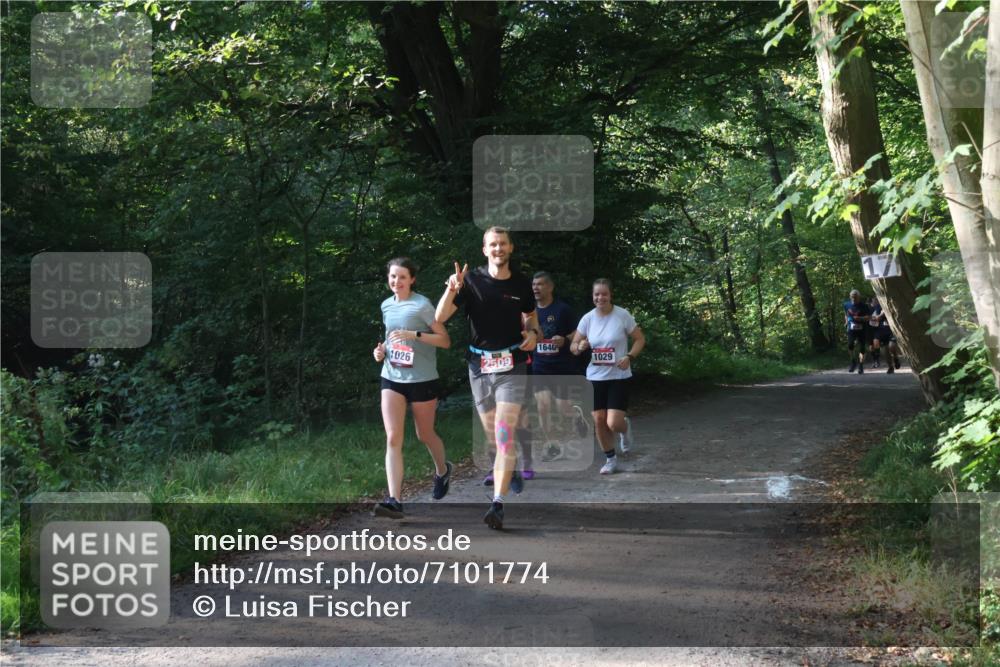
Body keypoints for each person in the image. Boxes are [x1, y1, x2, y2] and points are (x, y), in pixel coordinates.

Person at [436, 227, 539, 530]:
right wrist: (452, 288)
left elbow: (531, 316)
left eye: (503, 244)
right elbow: (440, 317)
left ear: (511, 248)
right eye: (492, 244)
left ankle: (497, 504)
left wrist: (532, 333)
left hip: (512, 365)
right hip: (479, 366)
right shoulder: (471, 281)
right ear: (485, 249)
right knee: (495, 437)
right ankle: (510, 470)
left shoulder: (522, 283)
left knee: (504, 435)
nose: (498, 249)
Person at [372, 258, 453, 519]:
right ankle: (394, 500)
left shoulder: (422, 305)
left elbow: (445, 340)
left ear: (412, 279)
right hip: (392, 377)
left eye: (402, 277)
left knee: (425, 434)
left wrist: (415, 335)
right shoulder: (386, 305)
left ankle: (442, 470)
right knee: (393, 437)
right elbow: (389, 337)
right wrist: (381, 351)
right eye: (393, 277)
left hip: (422, 379)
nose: (396, 282)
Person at [570, 279, 646, 474]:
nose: (600, 297)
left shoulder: (622, 315)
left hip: (618, 376)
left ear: (610, 295)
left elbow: (639, 339)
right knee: (598, 420)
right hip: (595, 376)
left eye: (604, 294)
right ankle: (610, 459)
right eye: (597, 294)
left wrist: (629, 356)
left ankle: (625, 427)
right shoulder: (587, 319)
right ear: (592, 296)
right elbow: (573, 346)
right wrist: (579, 347)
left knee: (613, 423)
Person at [530, 272, 588, 464]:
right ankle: (553, 446)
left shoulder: (563, 310)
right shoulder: (530, 312)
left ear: (550, 287)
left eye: (540, 284)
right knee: (543, 407)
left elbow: (578, 336)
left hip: (561, 366)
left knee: (563, 408)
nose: (536, 288)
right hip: (540, 367)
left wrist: (564, 339)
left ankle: (576, 415)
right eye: (534, 285)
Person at [868, 297, 901, 374]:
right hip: (880, 332)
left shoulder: (890, 304)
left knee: (891, 346)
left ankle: (896, 358)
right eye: (874, 300)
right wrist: (874, 318)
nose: (875, 301)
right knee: (885, 351)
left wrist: (883, 313)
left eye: (877, 299)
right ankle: (890, 367)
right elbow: (871, 319)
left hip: (891, 330)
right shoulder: (874, 308)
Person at [843, 289, 871, 374]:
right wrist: (846, 322)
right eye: (852, 297)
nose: (854, 299)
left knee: (862, 348)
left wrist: (861, 318)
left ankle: (861, 365)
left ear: (859, 297)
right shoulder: (846, 304)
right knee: (850, 345)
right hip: (851, 328)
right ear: (850, 297)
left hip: (862, 329)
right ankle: (853, 361)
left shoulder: (864, 306)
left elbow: (869, 317)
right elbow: (846, 314)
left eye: (856, 297)